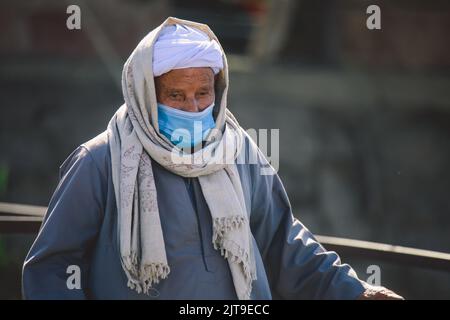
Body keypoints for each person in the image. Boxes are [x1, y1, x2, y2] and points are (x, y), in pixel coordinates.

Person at [22, 17, 403, 300]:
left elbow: (283, 242)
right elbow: (52, 267)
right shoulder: (99, 162)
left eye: (203, 93)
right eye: (175, 96)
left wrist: (354, 292)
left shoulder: (240, 152)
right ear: (146, 95)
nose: (193, 107)